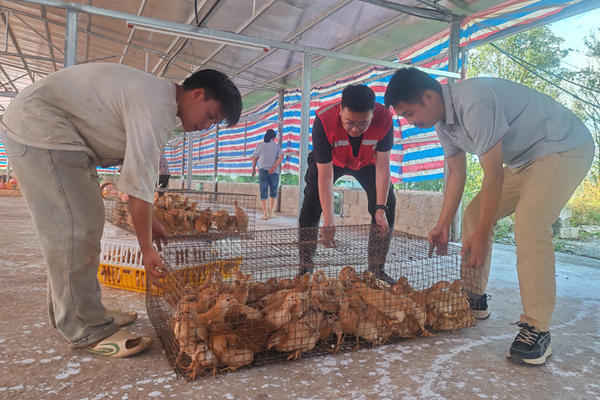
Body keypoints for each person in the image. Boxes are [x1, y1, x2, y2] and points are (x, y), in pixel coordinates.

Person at [0, 63, 241, 358]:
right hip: (41, 130)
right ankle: (86, 327)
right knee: (75, 229)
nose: (206, 127)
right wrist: (146, 248)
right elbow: (139, 183)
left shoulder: (157, 98)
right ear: (197, 94)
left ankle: (81, 310)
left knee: (85, 223)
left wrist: (150, 219)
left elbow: (137, 179)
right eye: (210, 116)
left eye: (213, 124)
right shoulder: (157, 106)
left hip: (66, 138)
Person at [384, 67, 594, 366]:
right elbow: (457, 172)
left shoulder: (473, 101)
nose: (409, 121)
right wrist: (443, 223)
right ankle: (474, 298)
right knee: (473, 215)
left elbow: (493, 173)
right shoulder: (443, 125)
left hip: (562, 148)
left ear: (429, 96)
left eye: (409, 112)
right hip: (523, 161)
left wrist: (482, 235)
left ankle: (537, 329)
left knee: (531, 223)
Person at [298, 84, 396, 284]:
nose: (355, 129)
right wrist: (329, 219)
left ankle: (377, 269)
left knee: (389, 203)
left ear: (373, 114)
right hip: (330, 162)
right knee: (310, 204)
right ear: (340, 110)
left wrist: (380, 208)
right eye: (349, 122)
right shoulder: (324, 120)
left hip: (368, 163)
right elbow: (325, 175)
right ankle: (305, 266)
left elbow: (383, 166)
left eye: (363, 124)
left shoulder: (385, 118)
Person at [252, 129, 284, 219]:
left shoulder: (260, 145)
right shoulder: (277, 146)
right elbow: (281, 157)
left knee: (263, 190)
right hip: (274, 172)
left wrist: (253, 169)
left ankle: (265, 214)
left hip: (262, 170)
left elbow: (255, 158)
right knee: (273, 191)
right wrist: (274, 167)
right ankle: (271, 212)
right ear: (273, 137)